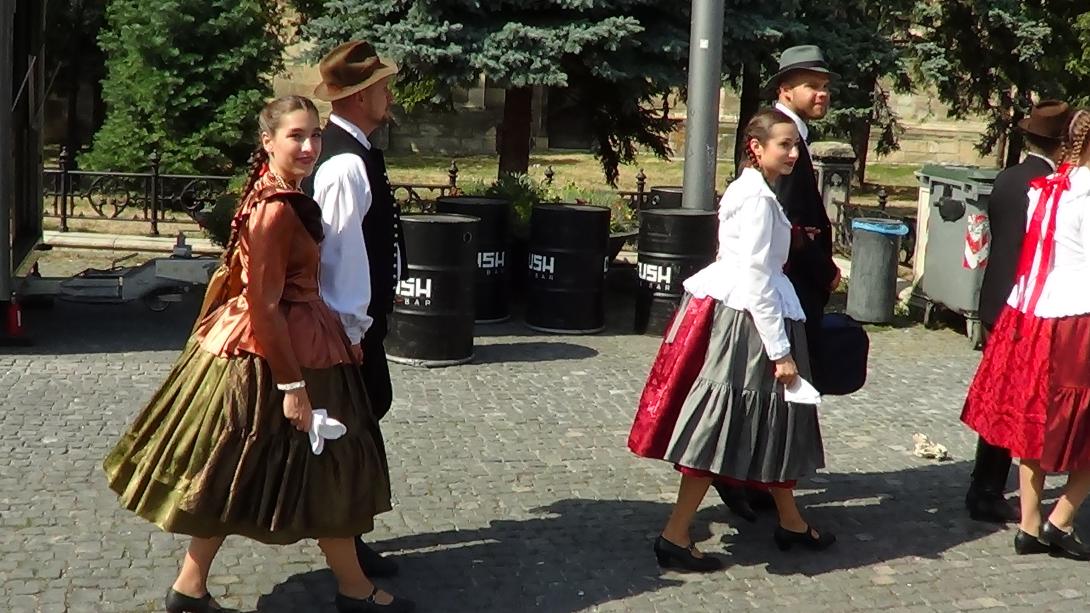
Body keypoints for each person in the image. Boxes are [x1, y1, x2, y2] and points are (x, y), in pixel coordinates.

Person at [102, 95, 414, 613]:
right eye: (296, 136)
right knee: (322, 462)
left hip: (292, 342)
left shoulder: (276, 193)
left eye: (315, 134)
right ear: (267, 141)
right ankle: (355, 591)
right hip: (278, 354)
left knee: (235, 467)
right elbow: (265, 306)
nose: (310, 145)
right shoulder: (275, 208)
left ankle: (190, 587)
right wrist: (292, 388)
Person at [628, 108, 834, 573]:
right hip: (752, 325)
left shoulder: (750, 188)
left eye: (795, 145)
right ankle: (676, 534)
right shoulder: (759, 199)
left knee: (777, 421)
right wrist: (780, 352)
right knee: (722, 426)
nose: (793, 153)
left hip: (746, 314)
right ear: (756, 147)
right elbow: (759, 280)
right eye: (784, 144)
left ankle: (791, 520)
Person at [714, 44, 842, 522]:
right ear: (786, 90)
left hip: (788, 284)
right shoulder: (780, 141)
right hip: (780, 289)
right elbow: (787, 228)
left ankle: (761, 480)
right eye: (812, 86)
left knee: (770, 391)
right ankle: (745, 478)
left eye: (826, 87)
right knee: (767, 388)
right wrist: (822, 268)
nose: (821, 94)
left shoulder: (794, 137)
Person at [961, 108, 1090, 560]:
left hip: (1025, 308)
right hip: (1071, 314)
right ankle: (1057, 519)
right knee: (1066, 418)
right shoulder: (1075, 192)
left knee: (1028, 413)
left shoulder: (1032, 185)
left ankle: (1023, 518)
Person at [301, 40, 405, 578]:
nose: (390, 96)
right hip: (347, 328)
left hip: (359, 324)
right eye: (383, 88)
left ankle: (347, 535)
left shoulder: (354, 151)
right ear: (362, 97)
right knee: (348, 427)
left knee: (362, 419)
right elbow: (341, 252)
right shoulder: (344, 164)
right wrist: (351, 327)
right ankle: (344, 541)